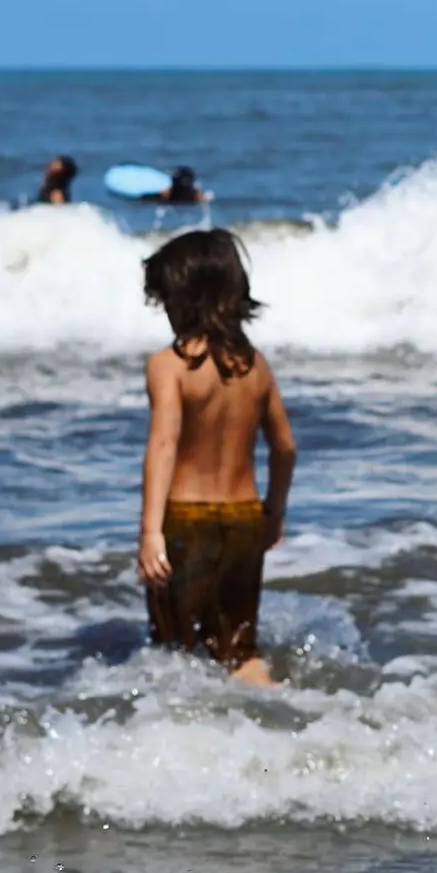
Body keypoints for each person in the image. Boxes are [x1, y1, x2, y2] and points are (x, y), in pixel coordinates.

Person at [138, 230, 296, 687]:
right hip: (246, 518)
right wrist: (274, 512)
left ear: (186, 300)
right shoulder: (256, 366)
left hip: (186, 520)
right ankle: (279, 716)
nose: (165, 310)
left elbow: (163, 445)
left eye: (166, 299)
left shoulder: (167, 366)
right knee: (240, 650)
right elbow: (285, 447)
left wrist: (151, 532)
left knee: (176, 651)